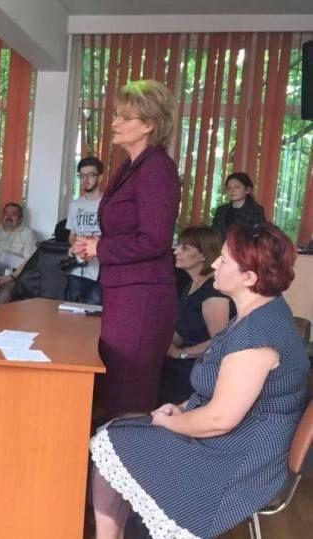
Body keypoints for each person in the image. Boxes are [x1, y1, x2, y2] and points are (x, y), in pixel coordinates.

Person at [89, 223, 309, 539]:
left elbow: (220, 420)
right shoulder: (255, 314)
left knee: (115, 439)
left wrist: (168, 422)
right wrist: (180, 409)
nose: (215, 263)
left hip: (241, 460)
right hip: (232, 440)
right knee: (116, 432)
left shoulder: (258, 337)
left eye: (224, 260)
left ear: (249, 278)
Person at [75, 80, 181, 418]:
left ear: (149, 124)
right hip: (123, 291)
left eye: (124, 117)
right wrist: (95, 245)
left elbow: (155, 239)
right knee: (116, 388)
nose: (115, 123)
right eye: (116, 115)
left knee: (130, 394)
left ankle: (125, 452)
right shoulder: (129, 167)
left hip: (143, 298)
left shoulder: (157, 168)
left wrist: (101, 247)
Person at [158, 225, 232, 405]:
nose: (176, 251)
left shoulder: (213, 293)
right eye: (178, 246)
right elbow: (182, 329)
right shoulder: (190, 285)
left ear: (204, 255)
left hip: (197, 373)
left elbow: (220, 343)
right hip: (181, 369)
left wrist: (181, 353)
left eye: (184, 248)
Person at [65, 156, 103, 305]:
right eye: (81, 176)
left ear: (100, 178)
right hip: (77, 269)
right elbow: (72, 235)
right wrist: (75, 247)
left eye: (90, 175)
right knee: (71, 310)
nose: (85, 180)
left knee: (93, 311)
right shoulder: (75, 205)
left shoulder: (107, 204)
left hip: (99, 270)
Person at [212, 171, 266, 240]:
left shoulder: (255, 211)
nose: (232, 191)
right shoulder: (221, 210)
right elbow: (213, 234)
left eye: (237, 187)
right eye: (229, 188)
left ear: (247, 190)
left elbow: (259, 237)